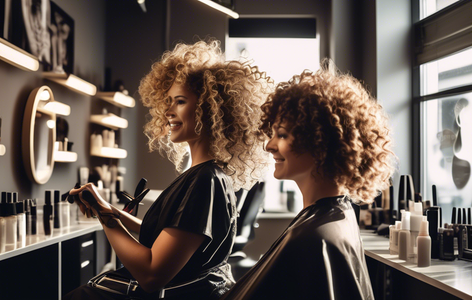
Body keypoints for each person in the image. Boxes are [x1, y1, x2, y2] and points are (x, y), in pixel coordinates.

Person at [64, 40, 272, 299]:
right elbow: (168, 236)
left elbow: (152, 274)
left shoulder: (205, 181)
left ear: (210, 110)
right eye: (169, 101)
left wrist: (105, 219)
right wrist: (107, 209)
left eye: (180, 101)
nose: (168, 112)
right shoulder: (205, 174)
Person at [221, 59, 396, 300]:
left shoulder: (313, 238)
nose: (270, 145)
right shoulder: (337, 214)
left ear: (319, 142)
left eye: (281, 135)